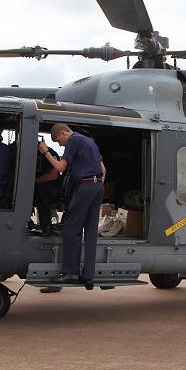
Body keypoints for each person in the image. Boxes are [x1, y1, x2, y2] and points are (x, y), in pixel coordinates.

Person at [38, 123, 106, 289]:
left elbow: (60, 167)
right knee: (90, 232)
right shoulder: (90, 142)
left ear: (62, 133)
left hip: (85, 186)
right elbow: (103, 169)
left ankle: (70, 273)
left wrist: (45, 151)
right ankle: (88, 276)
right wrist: (95, 186)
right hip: (97, 187)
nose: (61, 144)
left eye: (59, 141)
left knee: (70, 227)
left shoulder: (74, 140)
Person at [31, 141, 64, 236]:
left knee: (39, 191)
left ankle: (46, 225)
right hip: (41, 185)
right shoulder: (29, 153)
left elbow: (53, 175)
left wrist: (34, 182)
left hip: (53, 187)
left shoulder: (50, 153)